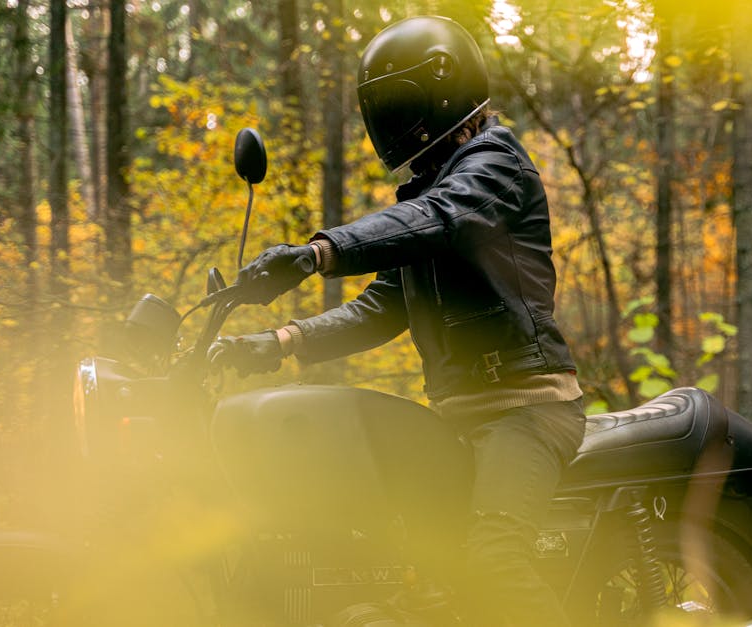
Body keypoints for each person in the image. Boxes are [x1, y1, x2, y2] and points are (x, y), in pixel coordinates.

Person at [208, 15, 585, 627]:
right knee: (402, 557)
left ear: (439, 90)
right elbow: (383, 307)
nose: (386, 118)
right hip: (458, 416)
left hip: (527, 411)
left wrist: (317, 253)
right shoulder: (430, 191)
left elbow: (443, 217)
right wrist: (279, 342)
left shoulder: (494, 167)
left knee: (494, 561)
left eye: (395, 102)